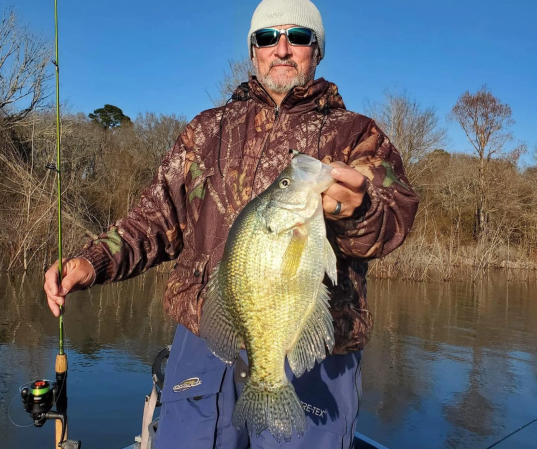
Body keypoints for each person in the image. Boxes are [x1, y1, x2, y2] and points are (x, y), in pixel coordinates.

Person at [44, 0, 419, 447]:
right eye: (267, 37)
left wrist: (352, 211)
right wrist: (91, 262)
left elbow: (394, 217)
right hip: (206, 341)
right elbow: (155, 216)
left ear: (316, 51)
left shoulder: (357, 134)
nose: (282, 48)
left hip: (315, 349)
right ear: (253, 51)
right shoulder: (206, 132)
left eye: (297, 36)